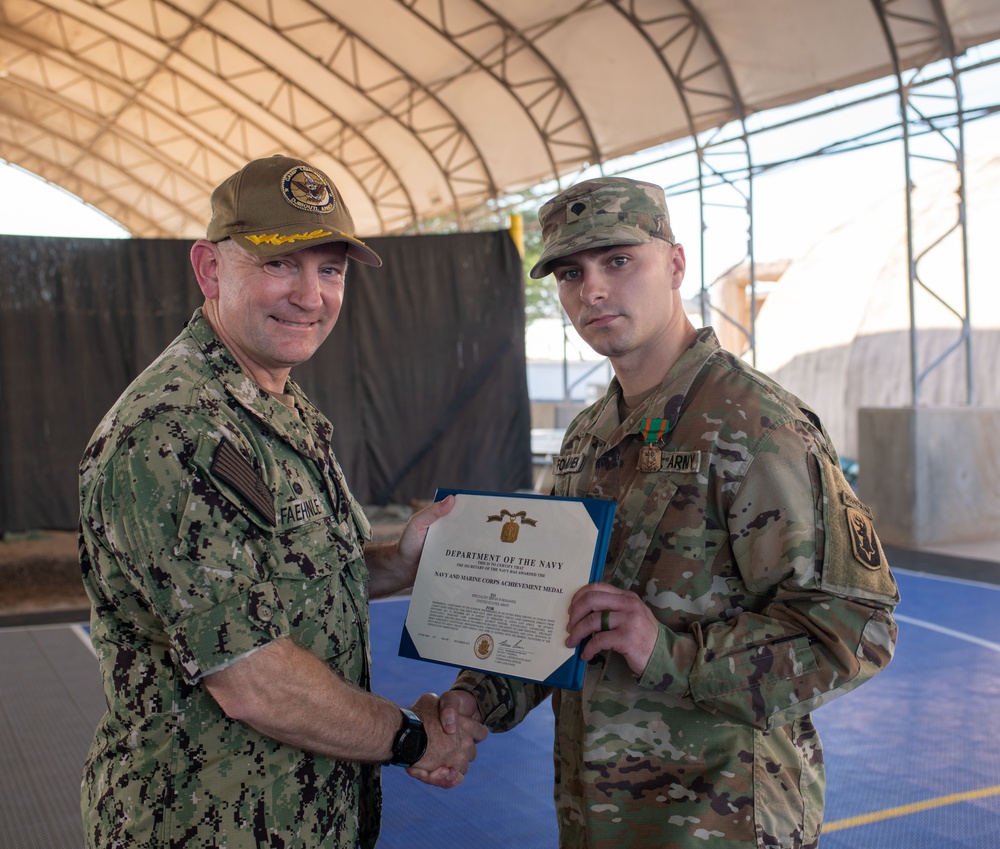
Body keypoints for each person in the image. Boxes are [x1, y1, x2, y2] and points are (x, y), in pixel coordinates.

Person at [431, 177, 900, 848]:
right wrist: (478, 696)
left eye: (618, 260)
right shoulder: (588, 435)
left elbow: (855, 630)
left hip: (724, 821)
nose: (591, 289)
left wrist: (671, 652)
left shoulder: (753, 426)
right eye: (570, 272)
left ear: (675, 265)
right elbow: (555, 608)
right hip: (599, 817)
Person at [78, 154, 486, 849]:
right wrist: (415, 738)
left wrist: (406, 560)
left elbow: (314, 576)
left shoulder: (275, 400)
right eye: (280, 263)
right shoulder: (176, 429)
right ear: (210, 270)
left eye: (330, 270)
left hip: (297, 817)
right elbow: (254, 680)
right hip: (203, 824)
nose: (310, 295)